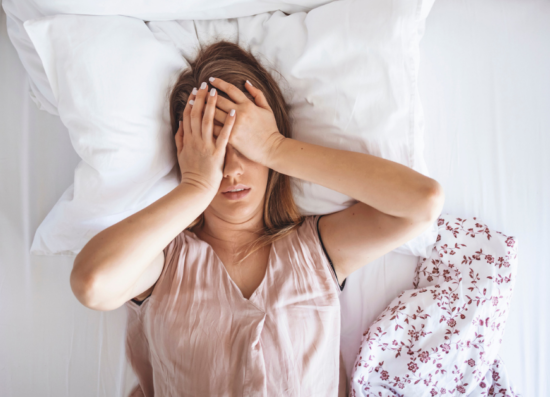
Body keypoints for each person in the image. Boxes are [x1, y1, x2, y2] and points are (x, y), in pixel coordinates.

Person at [69, 41, 444, 397]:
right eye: (214, 149)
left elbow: (421, 202)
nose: (231, 169)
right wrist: (197, 186)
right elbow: (92, 283)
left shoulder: (315, 251)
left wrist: (274, 148)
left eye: (244, 147)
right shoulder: (165, 265)